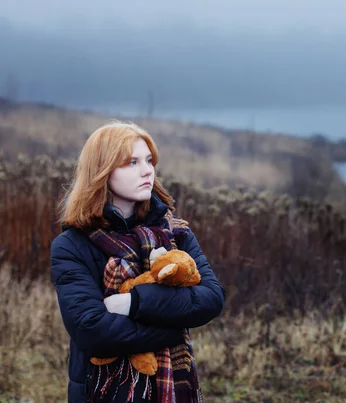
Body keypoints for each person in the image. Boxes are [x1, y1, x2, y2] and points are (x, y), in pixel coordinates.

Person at [50, 121, 225, 403]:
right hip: (103, 394)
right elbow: (92, 331)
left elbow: (211, 298)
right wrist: (172, 329)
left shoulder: (176, 234)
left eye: (148, 160)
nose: (147, 170)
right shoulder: (72, 245)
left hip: (174, 390)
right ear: (102, 171)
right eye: (131, 162)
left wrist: (136, 303)